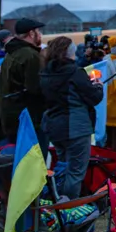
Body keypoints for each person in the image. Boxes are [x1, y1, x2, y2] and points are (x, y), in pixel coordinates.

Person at [40, 37, 103, 199]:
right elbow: (93, 97)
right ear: (70, 53)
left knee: (63, 166)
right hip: (75, 127)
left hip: (54, 126)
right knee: (75, 171)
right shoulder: (74, 72)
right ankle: (68, 208)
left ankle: (59, 199)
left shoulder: (46, 72)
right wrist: (97, 86)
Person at [0, 18, 48, 155]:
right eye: (38, 31)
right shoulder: (30, 56)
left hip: (12, 117)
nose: (40, 35)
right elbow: (36, 89)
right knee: (36, 164)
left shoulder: (11, 53)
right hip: (29, 121)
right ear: (31, 33)